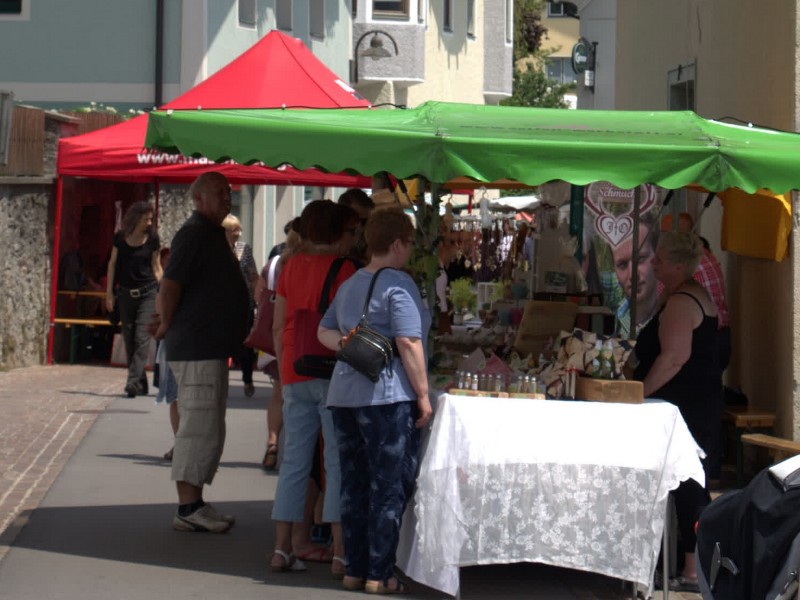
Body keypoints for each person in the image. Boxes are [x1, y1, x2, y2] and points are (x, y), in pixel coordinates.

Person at [318, 206, 433, 594]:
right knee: (388, 486)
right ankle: (379, 574)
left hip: (343, 395)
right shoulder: (399, 283)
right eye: (410, 243)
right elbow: (409, 341)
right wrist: (423, 395)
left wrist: (348, 344)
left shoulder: (351, 283)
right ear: (398, 244)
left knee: (353, 484)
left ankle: (355, 568)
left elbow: (323, 331)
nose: (410, 250)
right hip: (385, 395)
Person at [150, 171, 249, 533]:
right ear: (198, 198)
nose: (226, 197)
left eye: (228, 192)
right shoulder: (194, 234)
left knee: (207, 427)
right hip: (197, 346)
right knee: (198, 428)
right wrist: (165, 323)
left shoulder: (208, 233)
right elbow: (171, 284)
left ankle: (195, 503)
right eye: (219, 192)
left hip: (207, 345)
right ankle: (188, 507)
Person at [269, 200, 360, 575]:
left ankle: (281, 548)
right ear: (339, 233)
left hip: (295, 369)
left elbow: (278, 325)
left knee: (294, 462)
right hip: (333, 371)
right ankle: (340, 553)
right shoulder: (346, 269)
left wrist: (285, 364)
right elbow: (353, 328)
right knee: (336, 462)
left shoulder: (289, 266)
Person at [633, 231, 723, 594]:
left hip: (686, 407)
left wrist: (638, 393)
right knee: (690, 482)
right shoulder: (682, 295)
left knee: (688, 483)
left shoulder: (683, 302)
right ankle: (689, 563)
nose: (654, 264)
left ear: (679, 266)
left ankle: (691, 569)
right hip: (693, 402)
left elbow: (673, 358)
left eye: (661, 259)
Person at [253, 218, 302, 470]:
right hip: (301, 338)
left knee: (278, 392)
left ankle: (272, 441)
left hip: (274, 338)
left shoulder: (273, 264)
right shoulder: (308, 263)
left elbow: (259, 297)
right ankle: (295, 447)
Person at [105, 201, 162, 398]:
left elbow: (156, 267)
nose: (149, 223)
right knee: (129, 338)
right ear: (136, 218)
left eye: (151, 219)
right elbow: (112, 265)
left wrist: (164, 292)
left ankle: (132, 382)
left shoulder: (153, 239)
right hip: (125, 294)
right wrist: (109, 293)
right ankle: (141, 382)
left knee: (141, 336)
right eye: (146, 219)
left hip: (148, 293)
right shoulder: (120, 238)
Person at [661, 212, 731, 371]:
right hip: (713, 338)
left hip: (700, 344)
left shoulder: (686, 262)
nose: (662, 240)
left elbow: (657, 303)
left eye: (666, 235)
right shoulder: (702, 254)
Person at [222, 214, 259, 397]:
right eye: (233, 230)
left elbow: (253, 276)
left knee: (246, 343)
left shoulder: (244, 249)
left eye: (238, 229)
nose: (237, 233)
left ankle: (247, 378)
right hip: (221, 304)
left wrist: (258, 300)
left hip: (244, 303)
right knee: (222, 343)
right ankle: (221, 380)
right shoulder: (216, 250)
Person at [610, 213, 661, 338]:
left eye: (640, 259)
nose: (632, 275)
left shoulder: (672, 318)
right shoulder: (617, 315)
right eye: (622, 265)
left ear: (658, 256)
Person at [337, 188, 374, 263]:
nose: (359, 225)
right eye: (356, 219)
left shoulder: (369, 235)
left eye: (364, 221)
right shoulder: (333, 239)